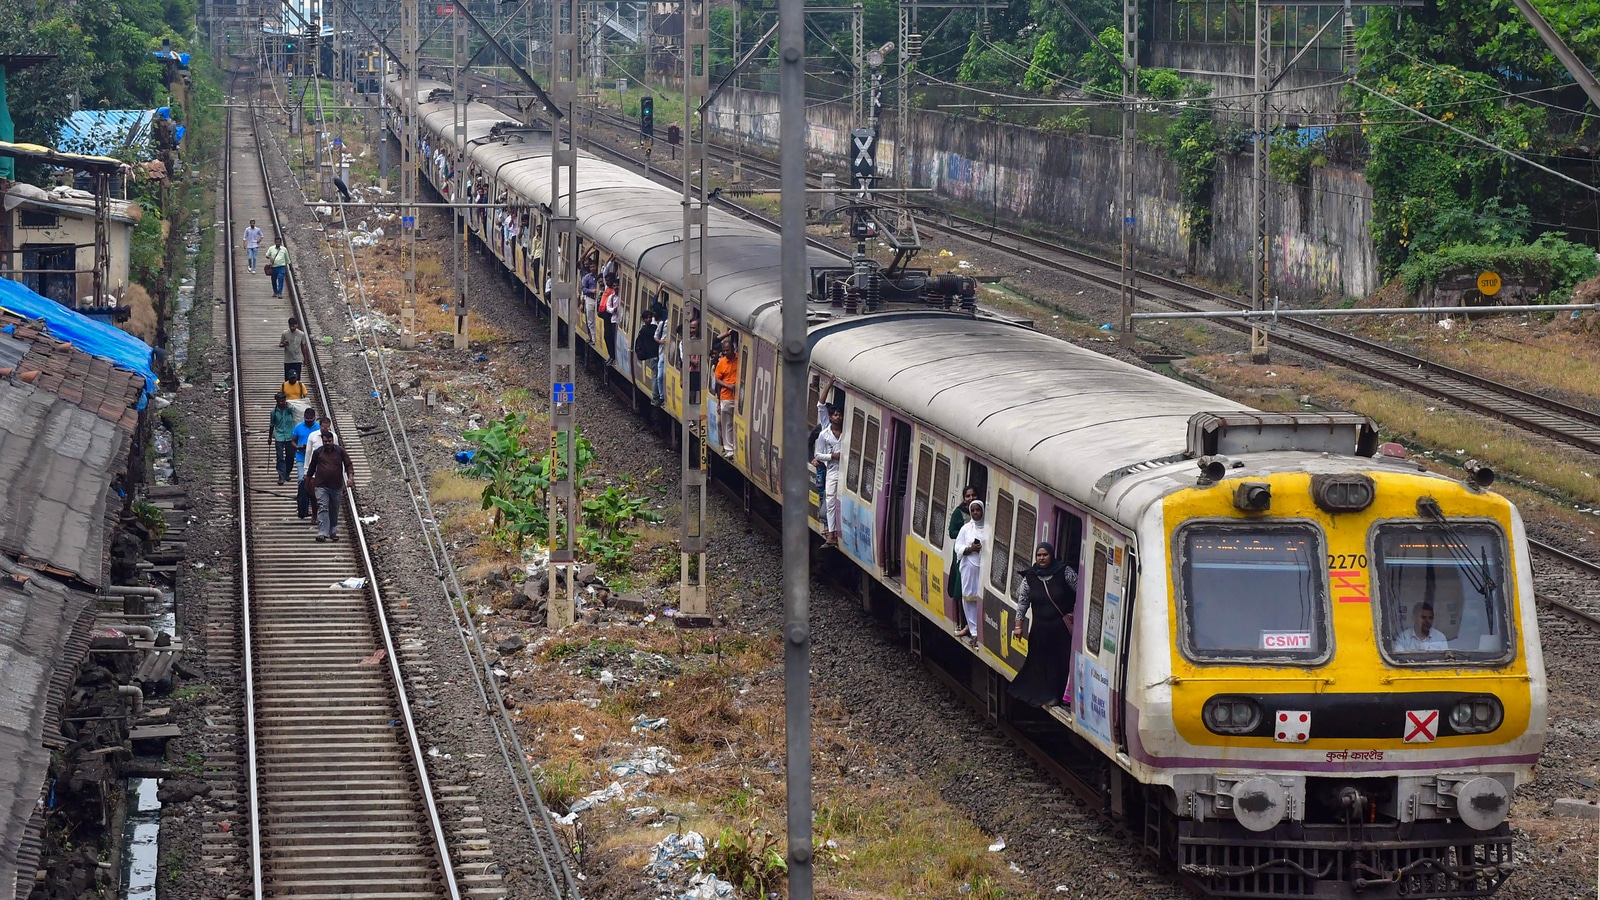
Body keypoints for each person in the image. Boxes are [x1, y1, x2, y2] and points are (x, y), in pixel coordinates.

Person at [1009, 542, 1079, 707]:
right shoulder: (1030, 577)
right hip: (1040, 629)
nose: (1042, 558)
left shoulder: (1065, 572)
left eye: (1045, 555)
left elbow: (1081, 593)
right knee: (1041, 662)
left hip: (1060, 630)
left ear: (1051, 555)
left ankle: (1057, 695)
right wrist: (1018, 625)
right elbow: (1023, 602)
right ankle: (1043, 694)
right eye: (1039, 555)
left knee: (1059, 662)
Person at [307, 433, 355, 542]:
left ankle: (333, 532)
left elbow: (349, 465)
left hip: (336, 486)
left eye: (329, 441)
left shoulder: (340, 451)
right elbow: (312, 467)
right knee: (322, 506)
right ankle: (322, 533)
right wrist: (308, 481)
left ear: (333, 440)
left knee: (334, 509)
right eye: (325, 441)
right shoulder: (318, 452)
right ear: (322, 441)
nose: (327, 443)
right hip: (321, 485)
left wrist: (350, 478)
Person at [954, 499, 988, 646]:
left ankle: (982, 630)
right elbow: (958, 547)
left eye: (978, 510)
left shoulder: (988, 529)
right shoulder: (966, 529)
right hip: (969, 566)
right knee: (969, 598)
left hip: (984, 568)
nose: (975, 513)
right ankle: (974, 632)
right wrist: (971, 549)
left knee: (982, 599)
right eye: (972, 510)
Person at [947, 485, 980, 619]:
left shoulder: (979, 511)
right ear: (964, 498)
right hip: (962, 552)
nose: (971, 498)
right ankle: (962, 618)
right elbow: (951, 532)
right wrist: (965, 531)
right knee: (961, 584)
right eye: (968, 496)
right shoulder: (959, 512)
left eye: (973, 495)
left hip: (976, 553)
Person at [814, 406, 844, 546]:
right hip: (832, 470)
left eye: (840, 415)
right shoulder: (824, 435)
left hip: (846, 472)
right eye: (835, 415)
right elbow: (818, 454)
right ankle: (832, 533)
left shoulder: (847, 432)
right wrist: (832, 456)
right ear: (830, 417)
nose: (838, 417)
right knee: (830, 502)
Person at [713, 339, 739, 459]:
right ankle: (729, 449)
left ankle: (737, 448)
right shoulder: (722, 363)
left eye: (727, 350)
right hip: (726, 396)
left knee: (737, 424)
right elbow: (717, 379)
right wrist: (728, 386)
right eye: (724, 351)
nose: (725, 353)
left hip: (739, 398)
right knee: (727, 424)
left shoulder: (740, 359)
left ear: (733, 349)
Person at [269, 391, 298, 485]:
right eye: (279, 401)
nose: (281, 403)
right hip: (279, 436)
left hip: (290, 436)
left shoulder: (289, 409)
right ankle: (281, 476)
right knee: (280, 457)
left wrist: (288, 404)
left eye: (283, 401)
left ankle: (287, 473)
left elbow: (294, 410)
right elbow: (272, 424)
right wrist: (269, 437)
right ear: (276, 401)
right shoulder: (273, 412)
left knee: (290, 456)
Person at [635, 308, 661, 397]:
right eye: (647, 318)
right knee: (656, 377)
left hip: (654, 355)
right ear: (644, 319)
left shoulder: (646, 329)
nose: (649, 319)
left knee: (657, 376)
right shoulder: (646, 330)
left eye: (650, 317)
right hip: (653, 355)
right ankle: (655, 395)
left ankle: (657, 394)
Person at [292, 408, 319, 484]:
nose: (309, 422)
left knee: (314, 479)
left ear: (314, 418)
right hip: (301, 456)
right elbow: (293, 441)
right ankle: (301, 495)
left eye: (311, 420)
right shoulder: (298, 427)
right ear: (304, 417)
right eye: (307, 420)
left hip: (314, 457)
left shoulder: (318, 428)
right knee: (301, 478)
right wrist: (297, 447)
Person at [280, 317, 309, 382]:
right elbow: (280, 344)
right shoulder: (285, 333)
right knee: (287, 379)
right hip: (288, 360)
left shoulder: (301, 334)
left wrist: (305, 359)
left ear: (297, 325)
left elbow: (303, 346)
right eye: (290, 326)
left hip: (297, 359)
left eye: (293, 326)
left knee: (297, 379)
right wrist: (284, 344)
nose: (292, 328)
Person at [651, 305, 669, 405]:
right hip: (662, 353)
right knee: (660, 376)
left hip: (669, 354)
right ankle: (661, 396)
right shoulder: (662, 323)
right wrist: (660, 341)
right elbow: (655, 336)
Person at [599, 275, 618, 366]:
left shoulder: (616, 295)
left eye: (608, 280)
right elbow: (608, 307)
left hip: (614, 319)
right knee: (607, 336)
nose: (607, 282)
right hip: (608, 317)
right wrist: (612, 310)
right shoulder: (611, 294)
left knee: (612, 337)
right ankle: (611, 356)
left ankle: (613, 357)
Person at [263, 233, 290, 297]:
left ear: (280, 242)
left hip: (281, 266)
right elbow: (267, 255)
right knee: (273, 280)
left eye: (279, 242)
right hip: (274, 267)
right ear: (275, 242)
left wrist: (289, 265)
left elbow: (287, 258)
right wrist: (270, 257)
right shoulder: (271, 248)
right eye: (277, 242)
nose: (278, 243)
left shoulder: (284, 249)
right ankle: (275, 291)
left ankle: (280, 292)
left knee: (281, 279)